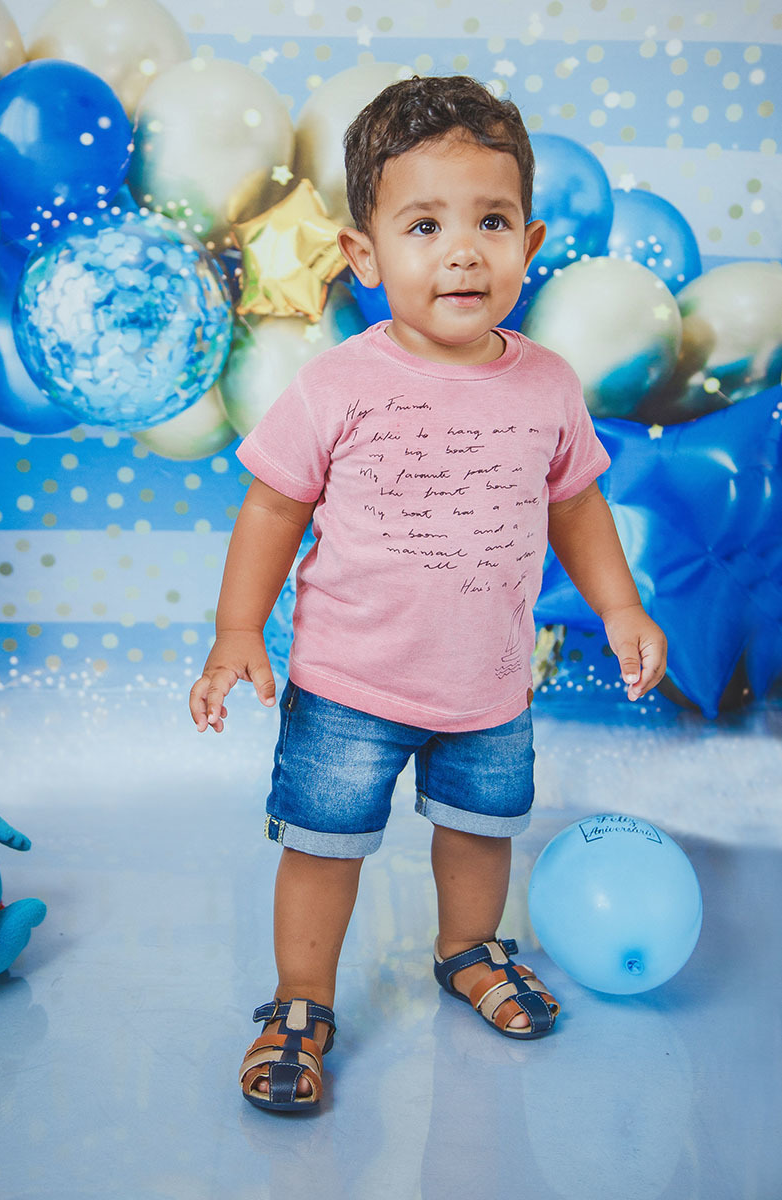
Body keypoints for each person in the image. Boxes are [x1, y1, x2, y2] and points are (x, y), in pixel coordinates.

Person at [189, 75, 667, 1113]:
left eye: (490, 222)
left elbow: (577, 504)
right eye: (423, 226)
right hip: (348, 685)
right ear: (362, 255)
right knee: (323, 850)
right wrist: (237, 629)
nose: (462, 252)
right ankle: (301, 1003)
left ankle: (467, 950)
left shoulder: (547, 384)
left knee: (479, 831)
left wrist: (620, 607)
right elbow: (272, 507)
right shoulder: (338, 384)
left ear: (529, 244)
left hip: (487, 683)